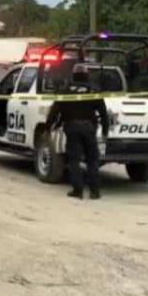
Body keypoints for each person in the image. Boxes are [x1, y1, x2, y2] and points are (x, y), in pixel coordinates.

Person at [45, 66, 110, 200]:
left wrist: (48, 128)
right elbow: (103, 113)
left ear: (74, 75)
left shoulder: (66, 90)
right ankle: (94, 191)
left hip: (72, 128)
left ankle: (77, 190)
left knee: (74, 160)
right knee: (92, 160)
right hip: (89, 128)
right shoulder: (93, 90)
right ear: (86, 75)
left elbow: (54, 111)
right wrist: (105, 130)